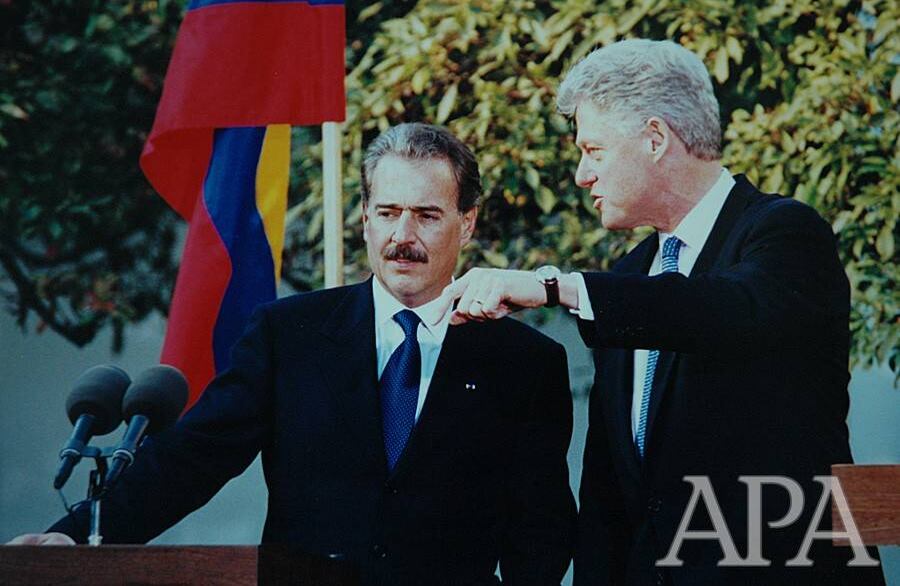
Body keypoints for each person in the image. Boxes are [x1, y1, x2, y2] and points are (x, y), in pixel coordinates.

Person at [12, 123, 577, 585]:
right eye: (387, 212)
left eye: (427, 215)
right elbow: (191, 457)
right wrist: (75, 536)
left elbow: (542, 529)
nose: (403, 235)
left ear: (467, 222)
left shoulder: (524, 362)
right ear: (363, 217)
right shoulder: (291, 335)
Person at [436, 40, 884, 585]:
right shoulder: (627, 278)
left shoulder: (785, 233)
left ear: (655, 138)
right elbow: (610, 493)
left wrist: (556, 286)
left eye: (593, 151)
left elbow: (725, 311)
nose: (581, 175)